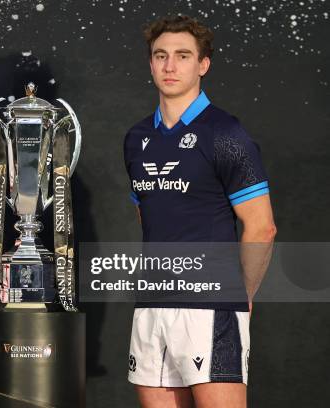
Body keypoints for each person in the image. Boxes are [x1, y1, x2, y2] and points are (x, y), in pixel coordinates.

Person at [123, 16, 276, 408]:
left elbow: (261, 227)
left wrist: (242, 294)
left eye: (183, 56)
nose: (170, 66)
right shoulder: (137, 138)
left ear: (203, 65)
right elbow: (151, 216)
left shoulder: (225, 133)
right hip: (151, 306)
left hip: (210, 308)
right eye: (161, 56)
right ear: (150, 63)